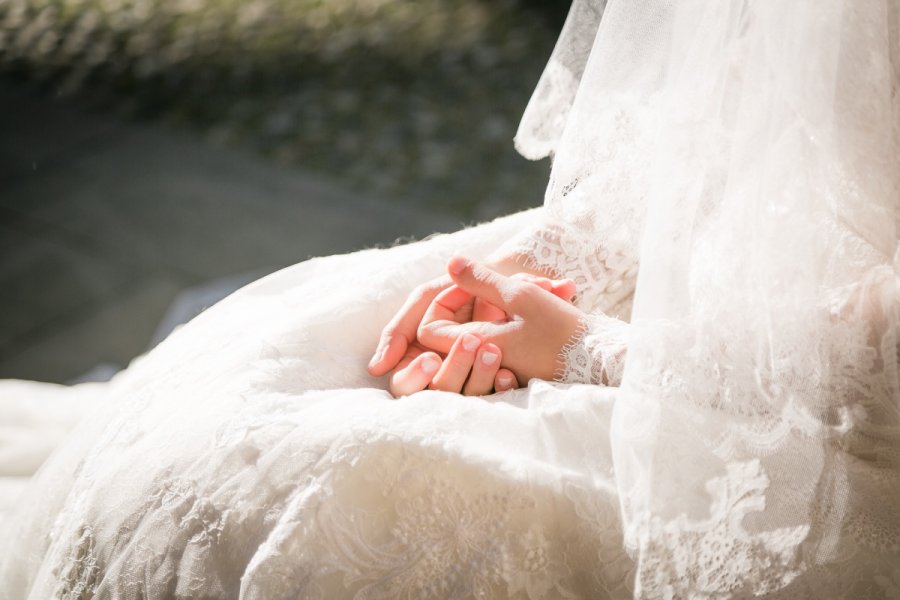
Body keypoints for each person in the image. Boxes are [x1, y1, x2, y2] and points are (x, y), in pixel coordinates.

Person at [1, 0, 898, 598]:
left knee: (350, 498)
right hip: (699, 283)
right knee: (240, 387)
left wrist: (590, 349)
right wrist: (503, 286)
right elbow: (717, 116)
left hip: (840, 420)